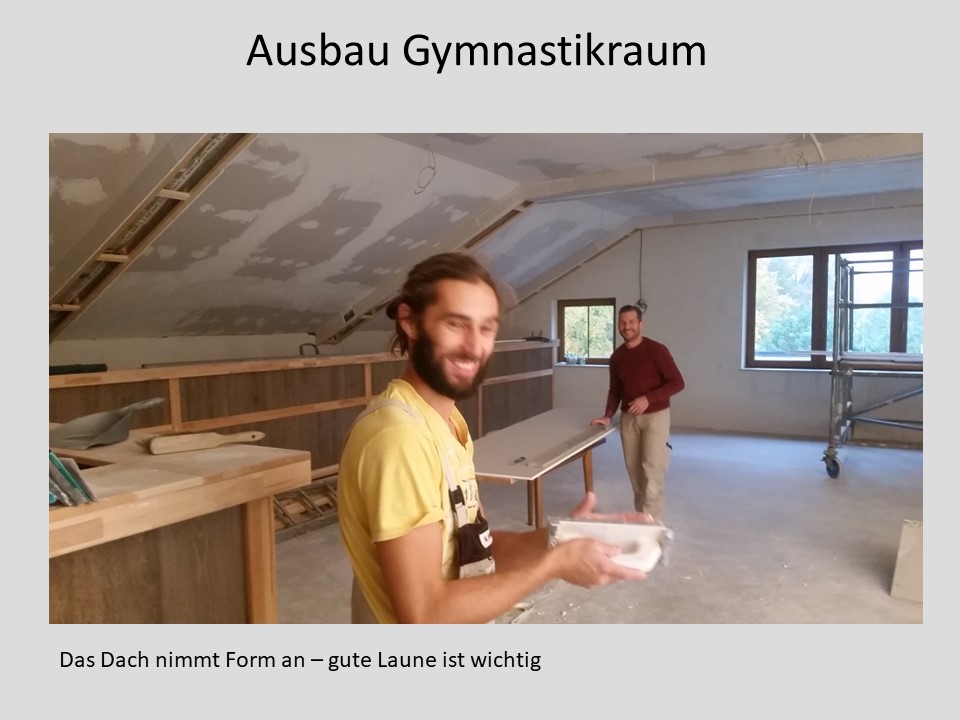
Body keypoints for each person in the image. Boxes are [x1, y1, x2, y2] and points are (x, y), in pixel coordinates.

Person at [338, 252, 649, 624]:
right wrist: (552, 565)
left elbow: (475, 549)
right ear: (410, 322)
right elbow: (424, 615)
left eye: (486, 328)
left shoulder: (448, 421)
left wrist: (561, 537)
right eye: (456, 324)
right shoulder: (399, 438)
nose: (474, 347)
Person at [590, 304, 685, 519]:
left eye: (631, 322)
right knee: (635, 471)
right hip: (629, 419)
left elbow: (677, 383)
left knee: (652, 468)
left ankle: (651, 521)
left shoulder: (657, 350)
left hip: (656, 417)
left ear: (641, 324)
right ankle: (641, 517)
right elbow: (615, 390)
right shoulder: (617, 357)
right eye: (623, 322)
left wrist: (648, 398)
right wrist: (607, 415)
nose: (627, 326)